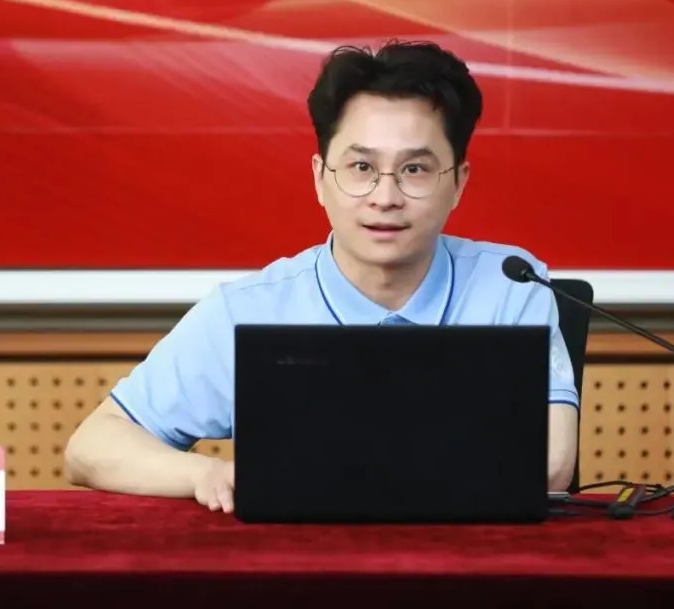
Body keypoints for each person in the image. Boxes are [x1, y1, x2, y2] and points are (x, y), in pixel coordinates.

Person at [64, 39, 579, 510]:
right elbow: (91, 447)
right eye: (361, 168)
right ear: (319, 178)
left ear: (459, 183)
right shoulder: (249, 309)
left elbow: (552, 464)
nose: (385, 197)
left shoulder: (511, 284)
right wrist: (206, 473)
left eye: (415, 169)